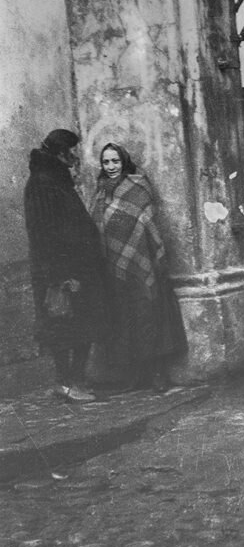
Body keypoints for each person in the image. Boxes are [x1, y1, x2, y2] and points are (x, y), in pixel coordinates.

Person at [90, 142, 187, 392]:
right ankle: (133, 377)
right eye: (106, 162)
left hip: (142, 264)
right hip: (113, 267)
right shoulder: (100, 191)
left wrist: (151, 257)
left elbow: (148, 225)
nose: (111, 166)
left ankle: (157, 373)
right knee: (123, 320)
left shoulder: (138, 188)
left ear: (124, 161)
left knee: (148, 316)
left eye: (115, 161)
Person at [24, 128, 107, 403]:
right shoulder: (43, 183)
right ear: (60, 153)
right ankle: (68, 383)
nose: (76, 155)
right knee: (64, 325)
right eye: (72, 151)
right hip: (64, 270)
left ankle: (72, 380)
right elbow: (45, 234)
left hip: (75, 267)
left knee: (77, 324)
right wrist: (61, 276)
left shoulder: (55, 179)